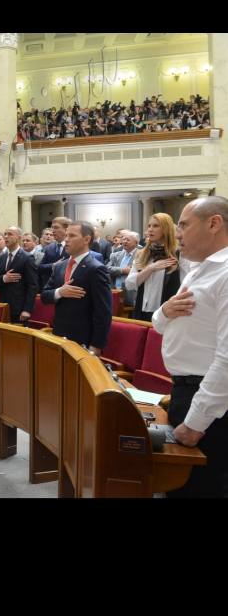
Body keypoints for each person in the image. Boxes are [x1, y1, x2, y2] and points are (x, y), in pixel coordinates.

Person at [152, 197, 228, 497]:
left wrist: (197, 421)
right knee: (181, 488)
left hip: (209, 403)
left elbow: (226, 358)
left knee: (201, 489)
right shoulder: (198, 269)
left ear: (213, 224)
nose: (177, 233)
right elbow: (160, 322)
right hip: (185, 390)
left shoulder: (224, 273)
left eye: (183, 225)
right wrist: (166, 311)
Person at [41, 221, 113, 354]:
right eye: (66, 235)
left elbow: (104, 312)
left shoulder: (96, 268)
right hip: (59, 335)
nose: (66, 239)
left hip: (83, 339)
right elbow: (45, 296)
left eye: (72, 236)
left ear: (86, 239)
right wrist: (60, 292)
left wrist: (96, 345)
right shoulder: (60, 266)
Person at [125, 213, 187, 322]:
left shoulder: (180, 254)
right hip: (142, 312)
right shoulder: (142, 254)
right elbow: (129, 284)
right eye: (149, 226)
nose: (150, 230)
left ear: (166, 229)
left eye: (156, 226)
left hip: (167, 314)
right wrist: (150, 268)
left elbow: (186, 284)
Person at [0, 227, 39, 324]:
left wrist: (27, 309)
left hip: (19, 308)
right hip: (2, 305)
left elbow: (32, 285)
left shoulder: (27, 258)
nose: (6, 237)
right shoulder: (1, 257)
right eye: (5, 234)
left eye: (10, 234)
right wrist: (4, 279)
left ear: (18, 237)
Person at [107, 231, 141, 309]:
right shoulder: (115, 255)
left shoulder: (141, 255)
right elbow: (106, 269)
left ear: (136, 243)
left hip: (131, 293)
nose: (125, 241)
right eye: (123, 239)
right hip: (115, 291)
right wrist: (122, 270)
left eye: (128, 240)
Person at [39, 216, 72, 290]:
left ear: (66, 230)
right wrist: (53, 265)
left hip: (69, 287)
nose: (52, 231)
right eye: (52, 227)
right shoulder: (49, 248)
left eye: (56, 228)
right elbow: (41, 267)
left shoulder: (73, 246)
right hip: (51, 288)